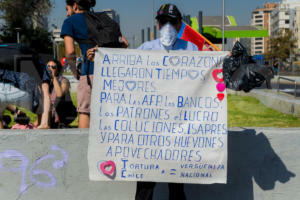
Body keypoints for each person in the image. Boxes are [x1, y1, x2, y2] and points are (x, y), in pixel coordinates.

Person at [135, 4, 198, 200]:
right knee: (145, 183)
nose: (167, 26)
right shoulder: (145, 48)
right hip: (150, 127)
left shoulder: (191, 49)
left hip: (179, 126)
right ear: (157, 24)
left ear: (180, 24)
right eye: (164, 22)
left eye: (172, 22)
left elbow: (203, 78)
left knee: (177, 184)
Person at [61, 0, 128, 128]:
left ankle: (83, 146)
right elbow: (124, 43)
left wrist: (75, 72)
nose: (67, 13)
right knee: (108, 112)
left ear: (74, 5)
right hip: (110, 73)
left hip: (90, 73)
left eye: (67, 9)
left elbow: (70, 53)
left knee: (85, 112)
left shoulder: (70, 22)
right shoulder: (102, 18)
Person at [38, 60, 76, 129]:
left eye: (53, 67)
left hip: (64, 112)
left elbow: (59, 94)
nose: (50, 68)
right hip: (51, 113)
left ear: (58, 69)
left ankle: (59, 124)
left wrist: (53, 77)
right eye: (48, 66)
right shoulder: (44, 82)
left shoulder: (64, 80)